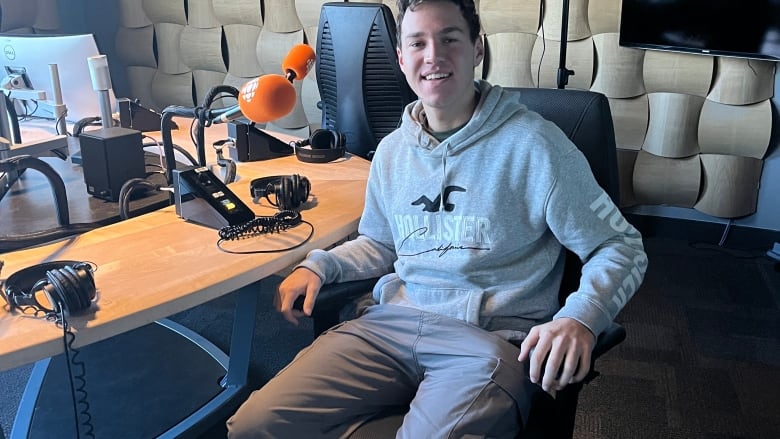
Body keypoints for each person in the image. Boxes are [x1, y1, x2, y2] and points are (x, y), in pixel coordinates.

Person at [227, 0, 647, 437]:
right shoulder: (392, 152)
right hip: (389, 326)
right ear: (402, 59)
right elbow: (383, 243)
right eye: (418, 43)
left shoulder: (536, 146)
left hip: (486, 342)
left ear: (477, 49)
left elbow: (619, 246)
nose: (433, 55)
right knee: (254, 426)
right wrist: (320, 264)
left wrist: (582, 316)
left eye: (449, 39)